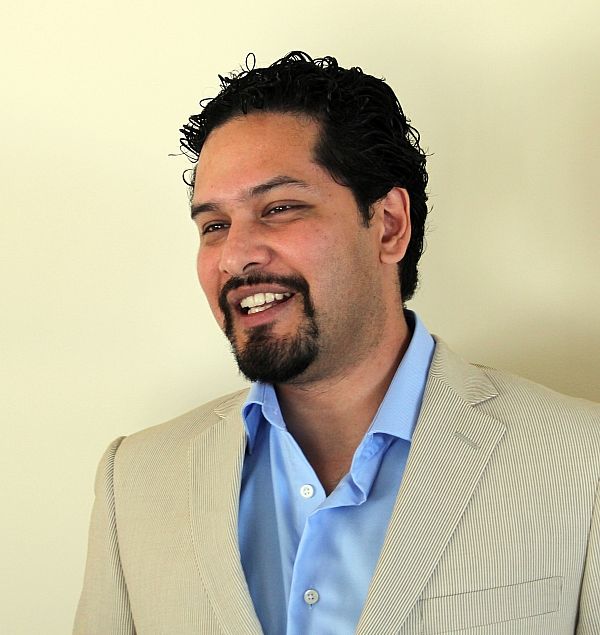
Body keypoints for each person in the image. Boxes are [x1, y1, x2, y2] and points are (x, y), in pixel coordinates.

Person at [74, 52, 599, 634]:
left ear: (389, 225)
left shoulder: (581, 462)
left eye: (279, 208)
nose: (235, 256)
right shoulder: (135, 481)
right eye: (214, 225)